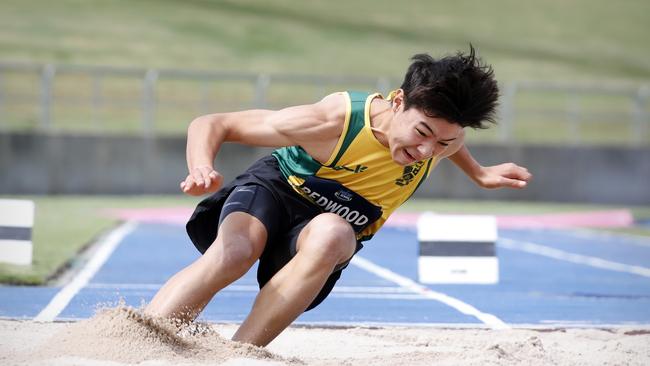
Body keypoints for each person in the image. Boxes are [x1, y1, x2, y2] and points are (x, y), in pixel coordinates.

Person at [144, 46, 532, 346]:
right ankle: (142, 337)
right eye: (422, 133)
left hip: (332, 223)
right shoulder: (334, 121)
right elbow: (214, 123)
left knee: (333, 233)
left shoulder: (446, 137)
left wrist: (479, 173)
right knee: (235, 253)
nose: (429, 151)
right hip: (277, 190)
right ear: (398, 102)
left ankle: (238, 354)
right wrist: (200, 166)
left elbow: (449, 141)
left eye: (443, 142)